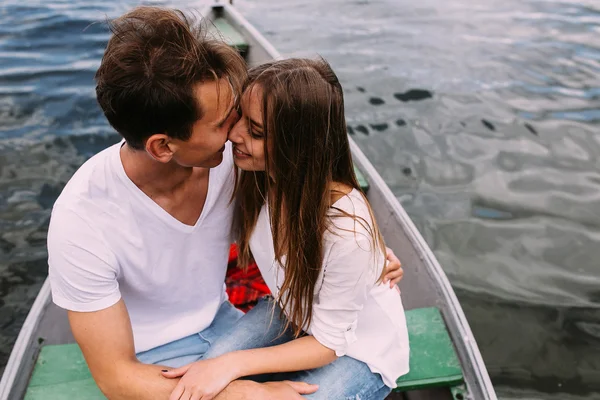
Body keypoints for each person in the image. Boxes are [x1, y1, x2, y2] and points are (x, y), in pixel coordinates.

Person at [46, 7, 404, 400]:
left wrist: (370, 254)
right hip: (152, 360)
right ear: (163, 146)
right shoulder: (82, 219)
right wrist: (246, 395)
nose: (235, 133)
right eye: (223, 124)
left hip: (233, 324)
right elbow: (117, 378)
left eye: (240, 117)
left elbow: (323, 202)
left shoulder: (237, 161)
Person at [160, 58, 410, 400]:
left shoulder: (346, 231)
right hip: (293, 308)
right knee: (203, 377)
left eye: (256, 131)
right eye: (240, 120)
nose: (234, 135)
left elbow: (329, 342)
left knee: (222, 369)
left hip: (358, 348)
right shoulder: (253, 177)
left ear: (299, 145)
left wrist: (232, 366)